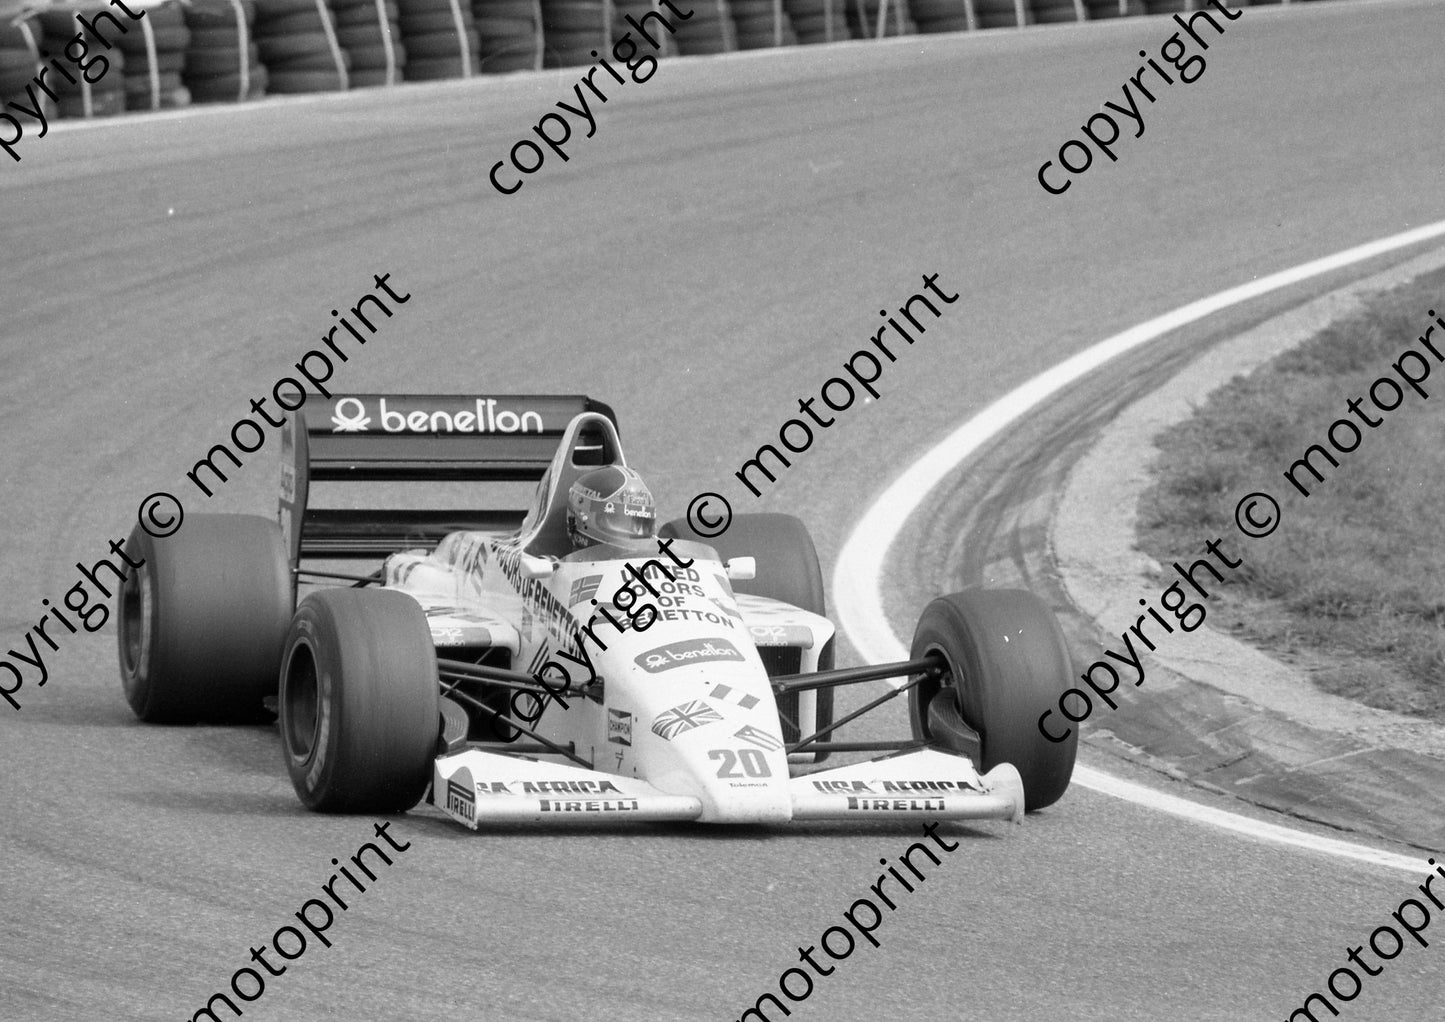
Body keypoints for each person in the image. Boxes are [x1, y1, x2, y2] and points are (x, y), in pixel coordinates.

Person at [565, 465, 657, 550]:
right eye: (619, 521)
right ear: (580, 517)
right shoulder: (555, 566)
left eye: (640, 526)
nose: (635, 534)